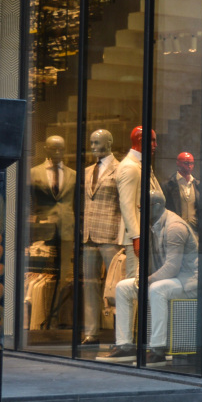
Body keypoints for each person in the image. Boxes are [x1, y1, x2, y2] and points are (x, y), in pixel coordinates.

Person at [100, 192, 197, 365]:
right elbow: (144, 259)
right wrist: (140, 277)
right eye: (140, 208)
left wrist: (147, 280)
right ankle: (125, 345)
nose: (141, 211)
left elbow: (172, 267)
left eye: (145, 207)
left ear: (158, 206)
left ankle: (157, 349)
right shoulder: (151, 225)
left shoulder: (175, 227)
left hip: (187, 281)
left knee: (156, 289)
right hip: (165, 279)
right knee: (123, 287)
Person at [81, 129, 122, 344]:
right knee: (90, 284)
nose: (93, 146)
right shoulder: (87, 171)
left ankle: (121, 331)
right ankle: (91, 331)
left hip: (109, 234)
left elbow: (124, 204)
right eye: (91, 142)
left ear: (109, 142)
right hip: (88, 235)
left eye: (97, 142)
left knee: (116, 285)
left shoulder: (120, 169)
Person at [30, 135, 78, 307]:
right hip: (42, 229)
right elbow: (26, 201)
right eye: (54, 148)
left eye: (61, 149)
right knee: (41, 270)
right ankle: (41, 307)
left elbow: (78, 204)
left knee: (64, 272)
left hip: (66, 228)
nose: (58, 152)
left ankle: (58, 311)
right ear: (46, 149)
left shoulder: (73, 175)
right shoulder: (34, 173)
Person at [116, 126, 163, 281]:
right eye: (153, 141)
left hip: (146, 236)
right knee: (134, 283)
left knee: (142, 281)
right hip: (138, 238)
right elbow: (127, 205)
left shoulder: (141, 164)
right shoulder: (130, 167)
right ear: (142, 141)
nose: (156, 145)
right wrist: (136, 238)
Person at [163, 151, 201, 234]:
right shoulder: (169, 185)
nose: (189, 166)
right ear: (178, 163)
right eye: (186, 163)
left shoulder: (197, 185)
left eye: (192, 163)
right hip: (175, 230)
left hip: (194, 230)